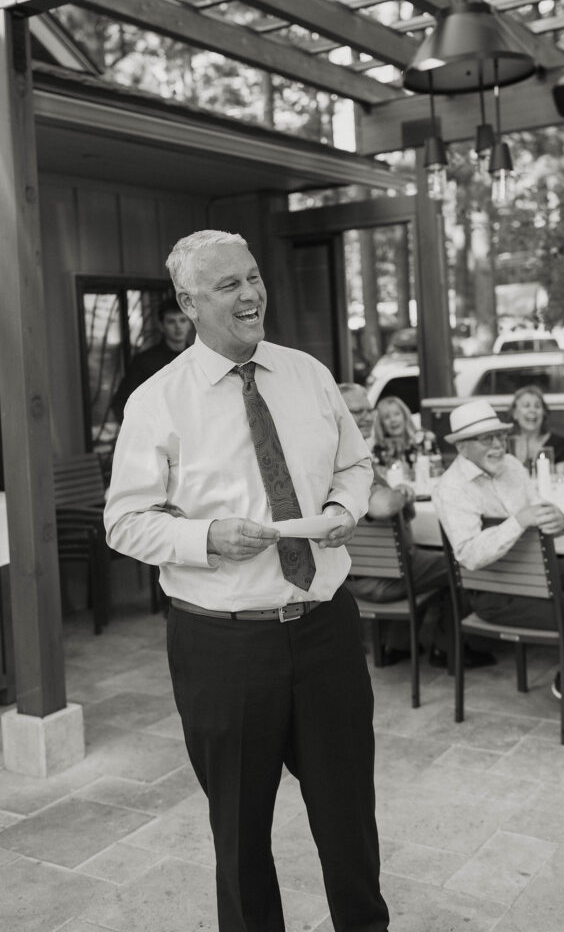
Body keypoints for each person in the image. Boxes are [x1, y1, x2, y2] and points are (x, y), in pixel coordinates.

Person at [104, 230, 389, 932]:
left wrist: (341, 508)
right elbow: (124, 522)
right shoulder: (157, 402)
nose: (251, 293)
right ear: (188, 302)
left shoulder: (307, 374)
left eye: (253, 276)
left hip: (324, 631)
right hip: (221, 647)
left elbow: (355, 466)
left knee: (348, 821)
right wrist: (204, 537)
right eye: (228, 284)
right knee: (238, 833)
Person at [433, 399, 564, 706]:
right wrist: (517, 522)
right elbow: (469, 555)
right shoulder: (451, 488)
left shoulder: (512, 466)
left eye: (500, 436)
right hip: (494, 593)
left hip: (538, 574)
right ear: (461, 447)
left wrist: (561, 521)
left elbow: (541, 510)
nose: (499, 445)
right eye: (487, 439)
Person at [339, 384, 494, 670]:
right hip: (380, 581)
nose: (365, 417)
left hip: (350, 578)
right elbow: (381, 506)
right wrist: (402, 493)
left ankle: (397, 645)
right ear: (336, 413)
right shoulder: (349, 458)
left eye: (367, 410)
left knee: (421, 558)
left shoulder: (339, 453)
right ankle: (447, 650)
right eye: (355, 411)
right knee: (461, 561)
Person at [110, 298, 192, 421]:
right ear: (161, 326)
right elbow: (121, 404)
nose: (178, 326)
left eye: (182, 320)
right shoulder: (144, 362)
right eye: (171, 322)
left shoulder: (201, 358)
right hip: (159, 435)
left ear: (190, 324)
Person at [508, 384, 564, 469]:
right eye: (526, 405)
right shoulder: (505, 445)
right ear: (515, 414)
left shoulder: (558, 444)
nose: (532, 410)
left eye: (537, 406)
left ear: (544, 413)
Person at [372, 394, 419, 469]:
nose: (393, 420)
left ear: (405, 416)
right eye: (387, 417)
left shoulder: (420, 441)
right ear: (381, 424)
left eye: (397, 414)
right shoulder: (379, 450)